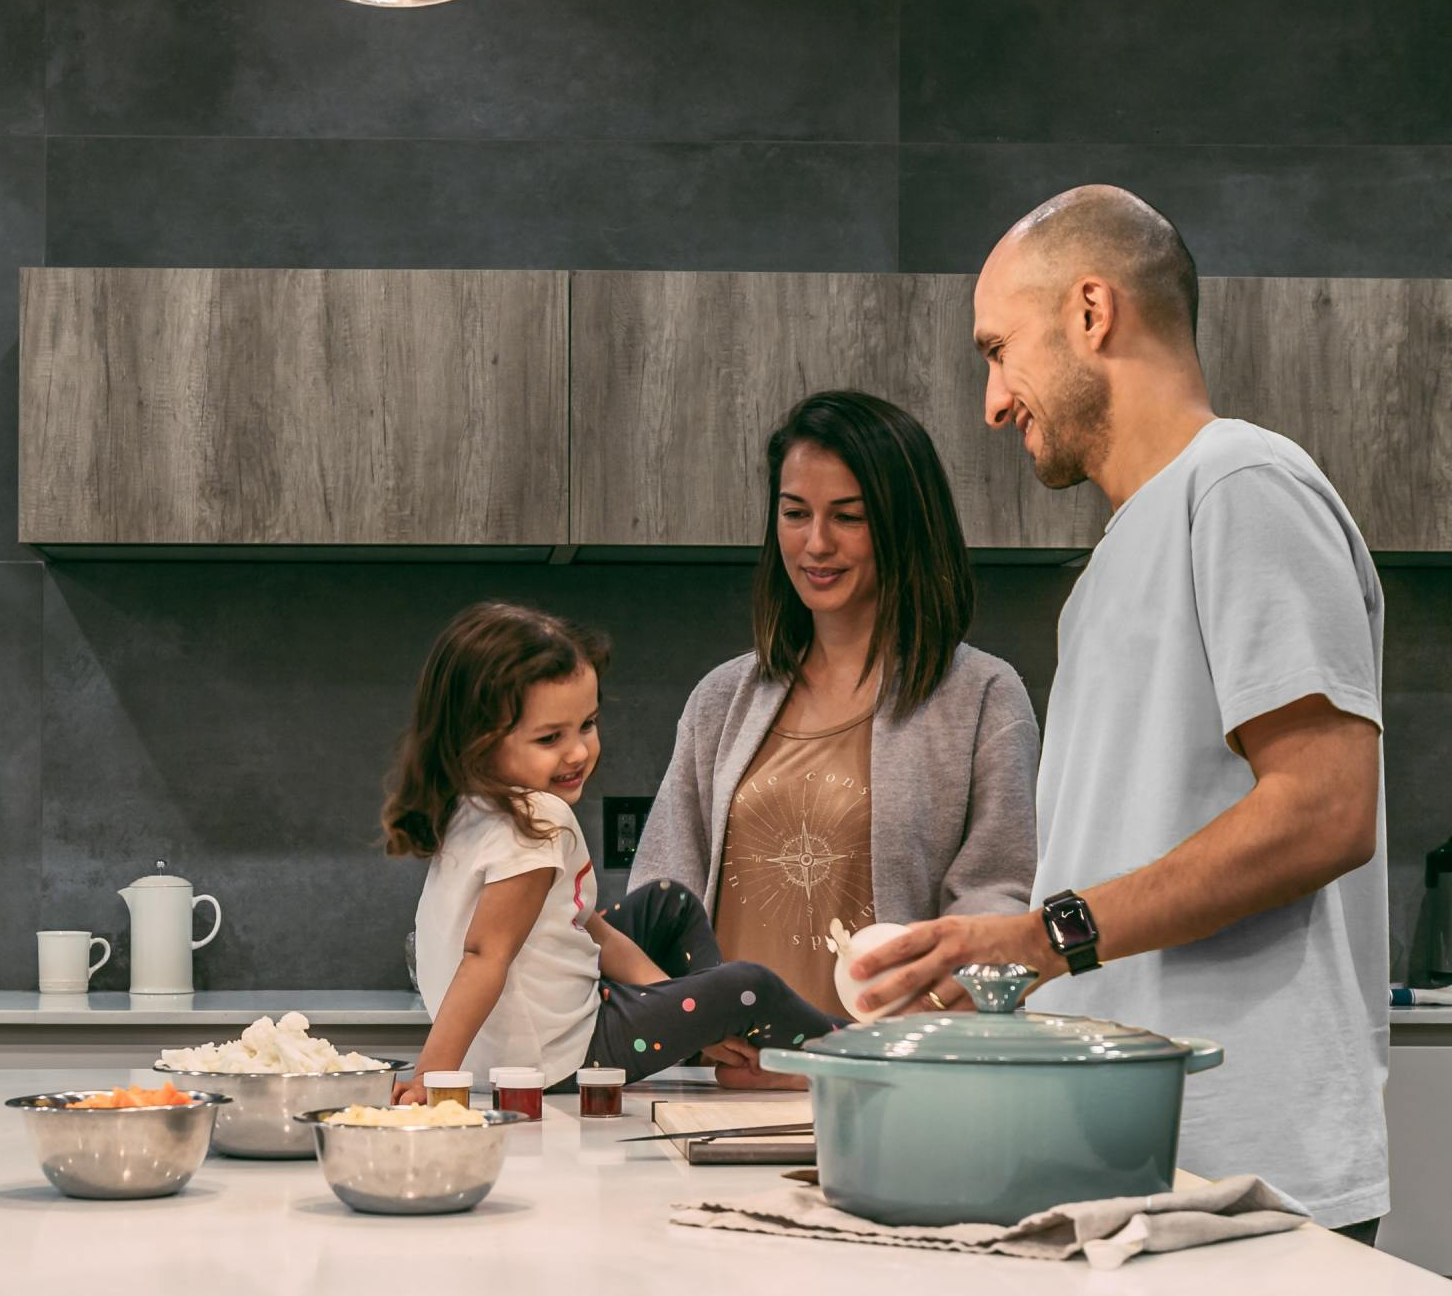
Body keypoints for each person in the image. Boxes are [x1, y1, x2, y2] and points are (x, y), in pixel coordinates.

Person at [847, 185, 1388, 1239]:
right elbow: (1113, 885)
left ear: (1092, 314)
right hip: (1123, 1167)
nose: (995, 401)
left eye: (999, 350)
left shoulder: (1241, 485)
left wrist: (1048, 937)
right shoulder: (1106, 572)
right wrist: (999, 971)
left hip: (1244, 1182)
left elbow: (1326, 811)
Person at [627, 391, 1040, 1023]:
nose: (815, 543)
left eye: (849, 516)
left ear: (905, 525)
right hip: (718, 1083)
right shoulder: (719, 701)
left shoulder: (982, 698)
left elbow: (998, 910)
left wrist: (867, 1038)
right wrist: (681, 1018)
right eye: (795, 513)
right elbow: (658, 898)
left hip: (883, 1081)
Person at [384, 601, 840, 1100]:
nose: (578, 751)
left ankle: (712, 1040)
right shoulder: (538, 817)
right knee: (747, 984)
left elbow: (590, 929)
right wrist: (432, 1075)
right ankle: (856, 1056)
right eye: (549, 737)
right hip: (558, 1057)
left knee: (669, 902)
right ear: (476, 740)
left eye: (587, 724)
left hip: (525, 1045)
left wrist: (680, 1005)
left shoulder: (468, 805)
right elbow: (484, 956)